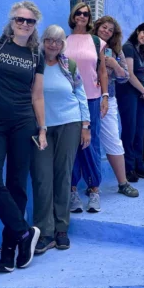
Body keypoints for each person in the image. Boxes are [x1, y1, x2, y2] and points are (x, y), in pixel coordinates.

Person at [0, 1, 45, 274]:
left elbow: (37, 95)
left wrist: (42, 128)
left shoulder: (36, 55)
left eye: (30, 21)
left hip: (22, 124)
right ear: (12, 20)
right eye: (20, 19)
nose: (24, 24)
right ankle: (24, 232)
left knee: (16, 185)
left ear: (35, 25)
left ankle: (8, 251)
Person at [31, 25, 91, 253]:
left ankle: (61, 229)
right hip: (41, 128)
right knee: (42, 178)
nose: (53, 45)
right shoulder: (34, 64)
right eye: (49, 40)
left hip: (69, 123)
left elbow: (80, 94)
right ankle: (44, 232)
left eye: (57, 41)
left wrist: (85, 125)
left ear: (62, 44)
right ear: (43, 41)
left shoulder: (69, 65)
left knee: (63, 176)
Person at [66, 2, 109, 214]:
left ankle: (94, 190)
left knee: (91, 144)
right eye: (79, 13)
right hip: (70, 100)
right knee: (72, 145)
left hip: (92, 99)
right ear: (73, 16)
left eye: (86, 14)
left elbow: (102, 71)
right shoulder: (63, 41)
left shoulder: (97, 41)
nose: (82, 16)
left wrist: (105, 96)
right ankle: (72, 190)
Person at [93, 15, 139, 198]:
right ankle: (85, 186)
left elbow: (125, 76)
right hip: (86, 98)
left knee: (113, 140)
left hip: (108, 99)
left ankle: (123, 182)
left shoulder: (115, 50)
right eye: (104, 27)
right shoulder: (88, 44)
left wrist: (114, 65)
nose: (106, 31)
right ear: (97, 28)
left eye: (110, 30)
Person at [116, 22, 144, 182]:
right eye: (143, 32)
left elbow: (143, 73)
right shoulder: (128, 47)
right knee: (129, 130)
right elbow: (129, 74)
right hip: (128, 93)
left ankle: (140, 165)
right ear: (137, 31)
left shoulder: (142, 50)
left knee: (140, 130)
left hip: (139, 94)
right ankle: (128, 168)